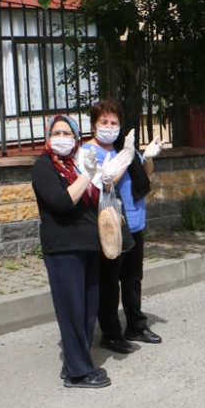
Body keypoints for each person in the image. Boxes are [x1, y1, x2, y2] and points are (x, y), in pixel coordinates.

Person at [31, 115, 111, 389]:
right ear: (48, 137)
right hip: (63, 247)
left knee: (88, 309)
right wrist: (87, 175)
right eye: (57, 132)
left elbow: (95, 199)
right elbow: (62, 203)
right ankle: (79, 373)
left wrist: (104, 177)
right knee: (72, 309)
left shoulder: (73, 166)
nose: (63, 137)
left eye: (68, 133)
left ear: (76, 138)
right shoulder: (44, 168)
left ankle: (75, 364)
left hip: (88, 245)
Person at [83, 100, 165, 354]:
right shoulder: (89, 151)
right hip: (110, 226)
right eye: (104, 122)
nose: (109, 127)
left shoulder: (122, 146)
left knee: (132, 278)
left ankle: (136, 325)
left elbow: (144, 175)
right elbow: (105, 183)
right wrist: (126, 155)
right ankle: (110, 333)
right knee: (109, 283)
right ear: (94, 125)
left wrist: (148, 157)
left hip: (134, 222)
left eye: (114, 122)